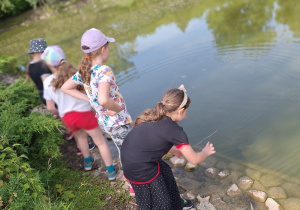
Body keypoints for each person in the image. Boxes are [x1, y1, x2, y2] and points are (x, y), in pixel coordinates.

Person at [120, 85, 216, 210]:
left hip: (129, 162)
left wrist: (173, 150)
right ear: (180, 110)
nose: (186, 116)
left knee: (165, 170)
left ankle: (176, 202)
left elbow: (152, 142)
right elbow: (194, 160)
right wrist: (205, 152)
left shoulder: (153, 116)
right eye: (186, 112)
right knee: (162, 204)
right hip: (140, 171)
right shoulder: (176, 131)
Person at [61, 28, 133, 169]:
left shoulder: (85, 71)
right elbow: (103, 100)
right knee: (129, 152)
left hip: (104, 121)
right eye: (108, 47)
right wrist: (118, 109)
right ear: (102, 50)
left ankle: (132, 180)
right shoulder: (104, 70)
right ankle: (133, 182)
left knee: (123, 149)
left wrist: (90, 100)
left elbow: (65, 87)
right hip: (118, 120)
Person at [41, 45, 117, 179]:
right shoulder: (76, 74)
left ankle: (88, 163)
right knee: (100, 141)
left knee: (81, 137)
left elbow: (50, 108)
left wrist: (58, 113)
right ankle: (111, 171)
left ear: (48, 64)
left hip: (67, 118)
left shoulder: (47, 81)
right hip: (84, 114)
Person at [26, 38, 52, 105]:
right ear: (42, 51)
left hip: (42, 95)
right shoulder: (42, 67)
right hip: (51, 98)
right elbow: (48, 85)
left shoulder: (30, 66)